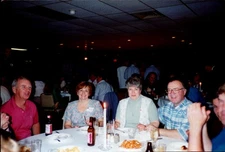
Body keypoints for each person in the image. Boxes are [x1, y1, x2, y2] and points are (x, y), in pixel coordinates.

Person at [1, 76, 40, 140]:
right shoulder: (5, 109)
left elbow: (35, 123)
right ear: (14, 89)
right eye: (23, 87)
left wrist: (38, 139)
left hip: (29, 142)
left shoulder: (32, 106)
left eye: (29, 88)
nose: (28, 90)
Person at [157, 77, 192, 141]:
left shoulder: (191, 109)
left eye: (175, 89)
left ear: (184, 92)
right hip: (167, 144)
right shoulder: (168, 106)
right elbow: (154, 116)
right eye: (169, 90)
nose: (171, 93)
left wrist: (158, 131)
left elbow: (183, 135)